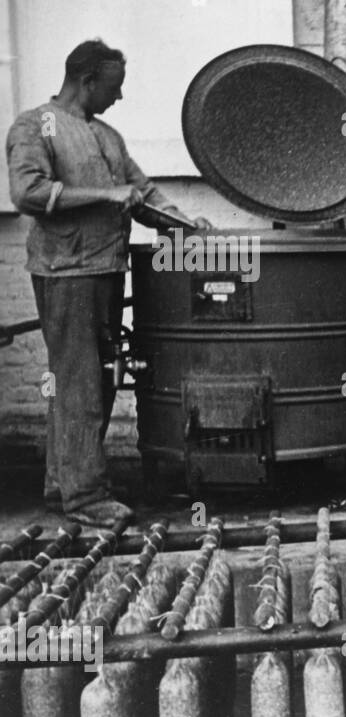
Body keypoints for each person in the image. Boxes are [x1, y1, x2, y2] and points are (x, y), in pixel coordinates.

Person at [6, 39, 210, 528]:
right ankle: (86, 497)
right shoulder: (36, 125)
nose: (118, 98)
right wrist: (104, 192)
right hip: (66, 273)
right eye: (113, 88)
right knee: (80, 383)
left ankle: (64, 484)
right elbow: (26, 192)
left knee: (89, 380)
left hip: (103, 269)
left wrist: (184, 224)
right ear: (86, 81)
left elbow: (141, 194)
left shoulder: (108, 136)